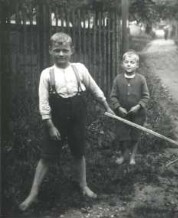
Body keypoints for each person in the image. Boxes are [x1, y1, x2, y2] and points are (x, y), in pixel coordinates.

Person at [19, 32, 114, 211]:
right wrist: (50, 125)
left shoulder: (80, 69)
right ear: (50, 51)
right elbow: (43, 102)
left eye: (65, 50)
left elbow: (94, 88)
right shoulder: (47, 74)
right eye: (57, 50)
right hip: (56, 119)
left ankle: (83, 185)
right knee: (47, 156)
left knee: (78, 152)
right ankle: (33, 193)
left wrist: (106, 106)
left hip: (78, 117)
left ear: (72, 51)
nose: (61, 54)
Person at [110, 50, 150, 165]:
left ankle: (132, 157)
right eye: (126, 62)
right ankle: (123, 156)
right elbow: (113, 96)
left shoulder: (141, 79)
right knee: (122, 135)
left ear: (137, 65)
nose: (128, 64)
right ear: (122, 64)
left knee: (135, 136)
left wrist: (138, 106)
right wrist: (118, 107)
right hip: (122, 114)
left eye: (132, 62)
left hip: (138, 114)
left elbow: (146, 96)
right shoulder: (118, 79)